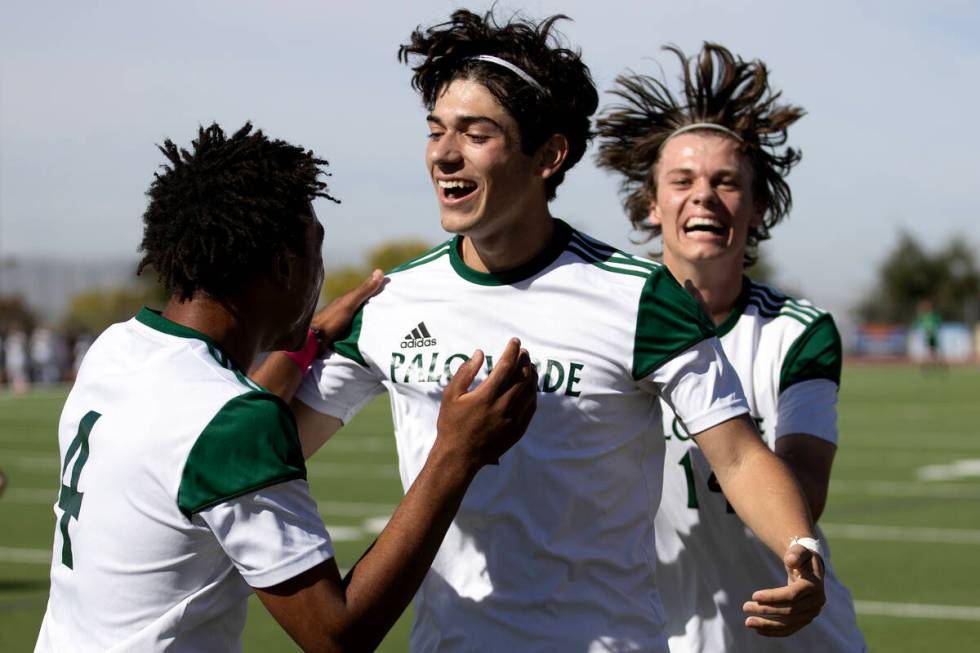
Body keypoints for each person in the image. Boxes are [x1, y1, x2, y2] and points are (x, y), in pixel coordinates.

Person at [264, 10, 825, 651]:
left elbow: (740, 454)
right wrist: (292, 347)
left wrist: (798, 546)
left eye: (476, 134)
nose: (445, 153)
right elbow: (277, 449)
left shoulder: (642, 298)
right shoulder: (390, 301)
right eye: (436, 132)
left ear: (548, 156)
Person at [35, 123, 538, 652]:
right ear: (282, 264)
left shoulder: (117, 350)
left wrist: (310, 335)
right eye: (315, 250)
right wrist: (454, 455)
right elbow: (336, 634)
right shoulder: (231, 423)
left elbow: (204, 429)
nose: (322, 272)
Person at [596, 43, 867, 652]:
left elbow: (807, 491)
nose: (704, 197)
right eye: (682, 181)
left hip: (792, 639)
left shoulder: (797, 332)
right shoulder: (601, 322)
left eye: (726, 182)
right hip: (648, 636)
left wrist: (703, 379)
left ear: (757, 205)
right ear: (651, 201)